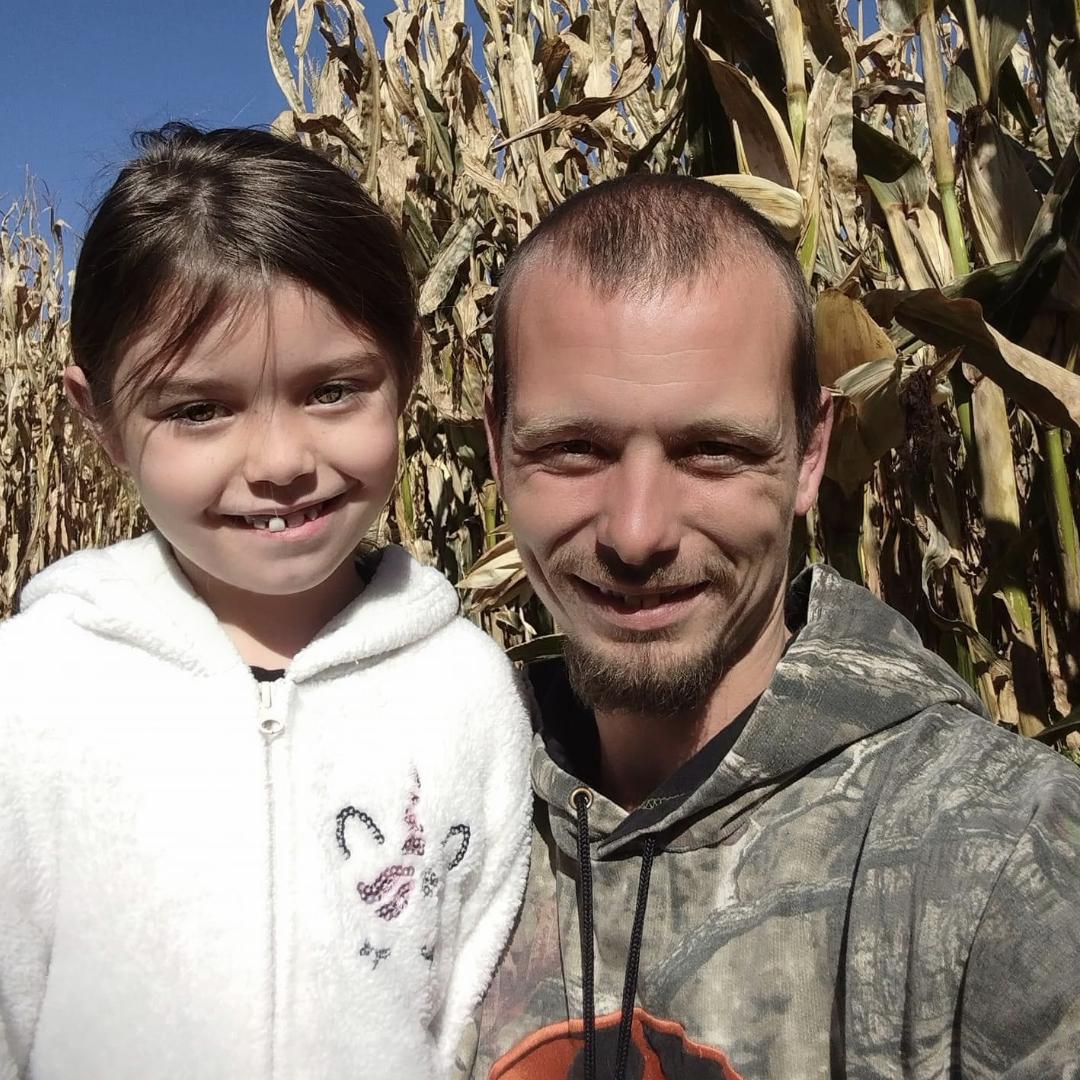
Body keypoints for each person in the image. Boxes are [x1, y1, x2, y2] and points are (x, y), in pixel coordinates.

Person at [454, 174, 1080, 1079]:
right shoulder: (426, 834)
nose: (637, 533)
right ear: (497, 449)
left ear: (809, 454)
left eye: (713, 451)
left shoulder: (1005, 863)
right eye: (572, 449)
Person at [0, 124, 532, 1080]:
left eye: (332, 391)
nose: (281, 462)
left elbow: (464, 1023)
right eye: (199, 410)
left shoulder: (467, 691)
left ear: (407, 372)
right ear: (100, 418)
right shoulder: (33, 692)